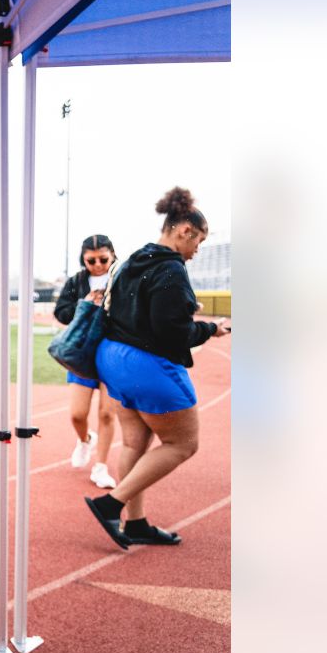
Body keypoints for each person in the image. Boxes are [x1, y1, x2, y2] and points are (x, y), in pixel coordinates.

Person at [85, 187, 230, 548]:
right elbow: (172, 333)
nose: (197, 249)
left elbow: (136, 312)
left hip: (113, 359)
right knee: (182, 443)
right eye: (198, 240)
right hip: (147, 365)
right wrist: (211, 328)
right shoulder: (170, 268)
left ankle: (135, 525)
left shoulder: (132, 260)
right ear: (183, 230)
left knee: (135, 441)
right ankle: (111, 504)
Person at [53, 235, 120, 489]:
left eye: (104, 259)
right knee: (77, 414)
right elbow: (61, 312)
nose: (98, 265)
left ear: (113, 254)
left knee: (106, 414)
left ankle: (101, 467)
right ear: (83, 259)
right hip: (82, 352)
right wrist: (85, 304)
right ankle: (84, 440)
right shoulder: (77, 281)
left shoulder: (122, 276)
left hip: (112, 351)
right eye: (91, 260)